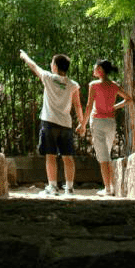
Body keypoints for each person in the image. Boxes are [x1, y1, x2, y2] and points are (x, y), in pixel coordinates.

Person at [19, 49, 84, 196]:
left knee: (50, 155)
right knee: (68, 156)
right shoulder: (73, 85)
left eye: (51, 63)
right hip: (66, 125)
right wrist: (82, 123)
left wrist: (25, 56)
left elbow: (33, 65)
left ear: (55, 66)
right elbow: (78, 105)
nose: (50, 65)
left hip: (49, 122)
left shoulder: (48, 77)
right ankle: (70, 188)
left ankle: (53, 187)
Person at [79, 58, 133, 196]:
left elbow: (89, 106)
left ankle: (108, 189)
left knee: (103, 157)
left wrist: (83, 124)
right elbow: (129, 99)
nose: (93, 70)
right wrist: (115, 106)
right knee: (106, 155)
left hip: (97, 122)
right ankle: (110, 187)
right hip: (110, 122)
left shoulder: (94, 85)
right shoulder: (114, 85)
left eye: (95, 68)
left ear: (100, 71)